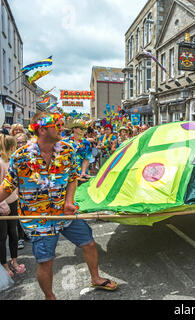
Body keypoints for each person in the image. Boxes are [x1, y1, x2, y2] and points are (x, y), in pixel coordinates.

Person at [0, 112, 117, 300]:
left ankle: (95, 278)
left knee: (88, 242)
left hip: (64, 214)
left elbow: (72, 178)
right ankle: (50, 296)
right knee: (46, 262)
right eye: (57, 124)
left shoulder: (67, 151)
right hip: (39, 220)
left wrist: (69, 201)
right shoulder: (21, 157)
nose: (62, 127)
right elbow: (7, 187)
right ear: (42, 129)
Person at [0, 134, 26, 278]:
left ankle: (14, 262)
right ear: (12, 147)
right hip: (2, 206)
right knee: (2, 237)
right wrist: (2, 205)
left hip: (13, 201)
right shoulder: (0, 163)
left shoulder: (11, 161)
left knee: (14, 234)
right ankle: (4, 265)